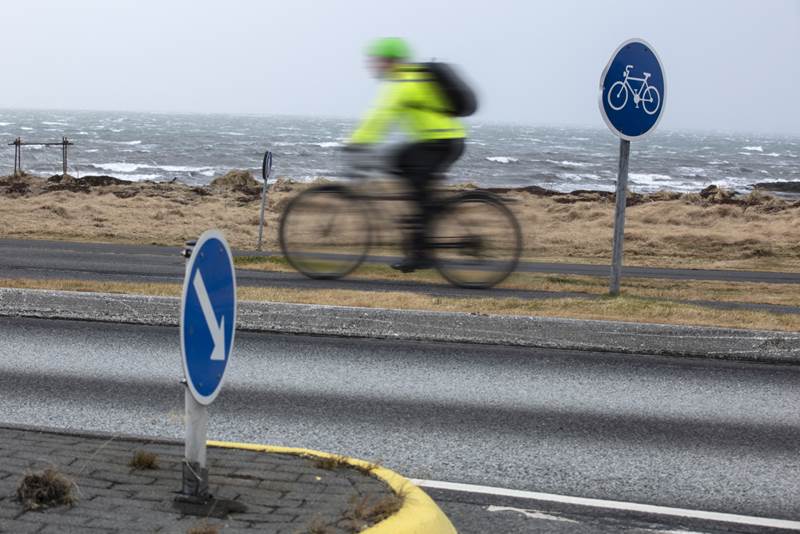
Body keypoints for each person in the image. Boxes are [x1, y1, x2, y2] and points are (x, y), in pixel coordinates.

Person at [345, 37, 467, 272]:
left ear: (391, 60)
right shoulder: (411, 77)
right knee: (400, 162)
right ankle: (426, 214)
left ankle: (421, 251)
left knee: (412, 182)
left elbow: (380, 117)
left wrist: (356, 143)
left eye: (377, 61)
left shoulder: (405, 81)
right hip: (440, 141)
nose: (374, 66)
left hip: (440, 141)